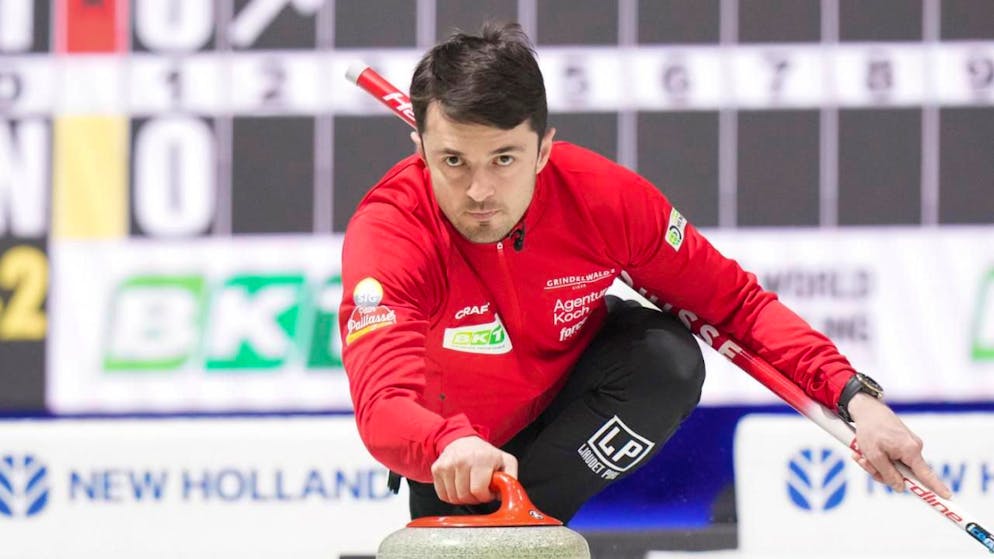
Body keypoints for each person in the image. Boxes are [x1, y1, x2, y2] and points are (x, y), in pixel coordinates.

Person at [338, 22, 951, 523]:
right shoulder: (391, 234)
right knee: (462, 501)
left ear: (544, 149)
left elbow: (734, 304)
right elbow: (384, 403)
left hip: (566, 417)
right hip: (458, 449)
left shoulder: (603, 200)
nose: (479, 190)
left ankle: (532, 519)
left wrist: (853, 397)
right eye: (453, 161)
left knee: (666, 360)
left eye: (504, 158)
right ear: (418, 150)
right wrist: (444, 443)